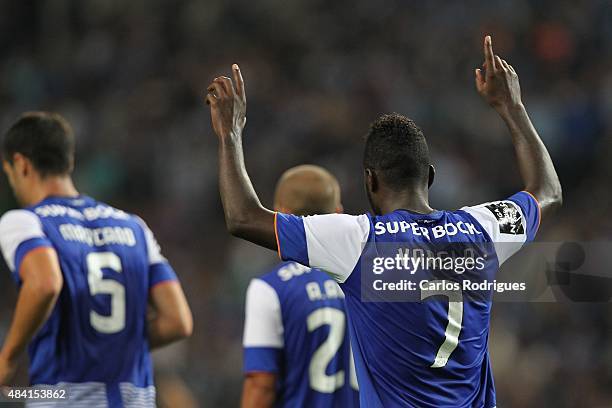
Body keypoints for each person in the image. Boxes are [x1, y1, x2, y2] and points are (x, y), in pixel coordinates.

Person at [205, 35, 562, 408]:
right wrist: (512, 107)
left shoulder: (358, 242)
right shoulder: (481, 230)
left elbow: (243, 217)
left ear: (369, 180)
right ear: (431, 176)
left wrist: (230, 134)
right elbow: (547, 191)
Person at [0, 112, 193, 407]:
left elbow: (44, 284)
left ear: (21, 165)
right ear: (69, 162)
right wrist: (110, 344)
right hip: (134, 399)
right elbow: (178, 321)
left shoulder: (26, 222)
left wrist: (7, 358)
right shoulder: (134, 227)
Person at [241, 165, 358, 408]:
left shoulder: (269, 289)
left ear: (279, 214)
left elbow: (261, 385)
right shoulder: (369, 278)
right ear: (338, 213)